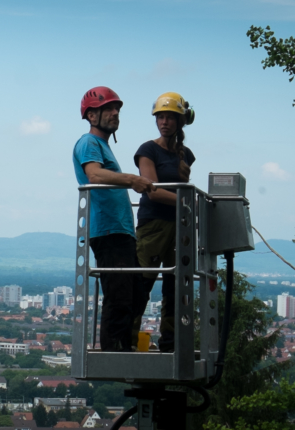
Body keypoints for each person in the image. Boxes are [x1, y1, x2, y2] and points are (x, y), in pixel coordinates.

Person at [73, 86, 156, 352]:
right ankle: (113, 350)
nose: (114, 113)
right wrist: (132, 180)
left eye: (116, 109)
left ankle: (122, 345)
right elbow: (94, 175)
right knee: (119, 294)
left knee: (135, 293)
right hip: (108, 232)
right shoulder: (88, 143)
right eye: (107, 109)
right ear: (91, 116)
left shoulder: (103, 147)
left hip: (120, 232)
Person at [134, 91, 196, 352]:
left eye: (170, 117)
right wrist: (187, 204)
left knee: (175, 287)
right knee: (141, 283)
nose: (164, 122)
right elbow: (153, 189)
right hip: (153, 225)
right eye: (160, 117)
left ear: (180, 121)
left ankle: (171, 342)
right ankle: (128, 339)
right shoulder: (147, 150)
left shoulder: (186, 155)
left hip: (179, 227)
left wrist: (186, 208)